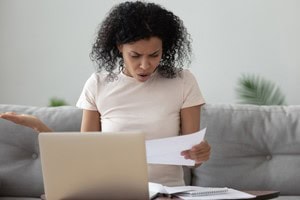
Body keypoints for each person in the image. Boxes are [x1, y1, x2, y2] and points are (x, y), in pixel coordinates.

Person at [0, 1, 210, 186]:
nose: (145, 65)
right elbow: (85, 155)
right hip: (111, 190)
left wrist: (200, 153)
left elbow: (193, 157)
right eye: (135, 55)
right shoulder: (98, 85)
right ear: (119, 47)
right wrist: (39, 126)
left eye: (154, 55)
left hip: (167, 191)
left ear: (165, 47)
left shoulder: (183, 81)